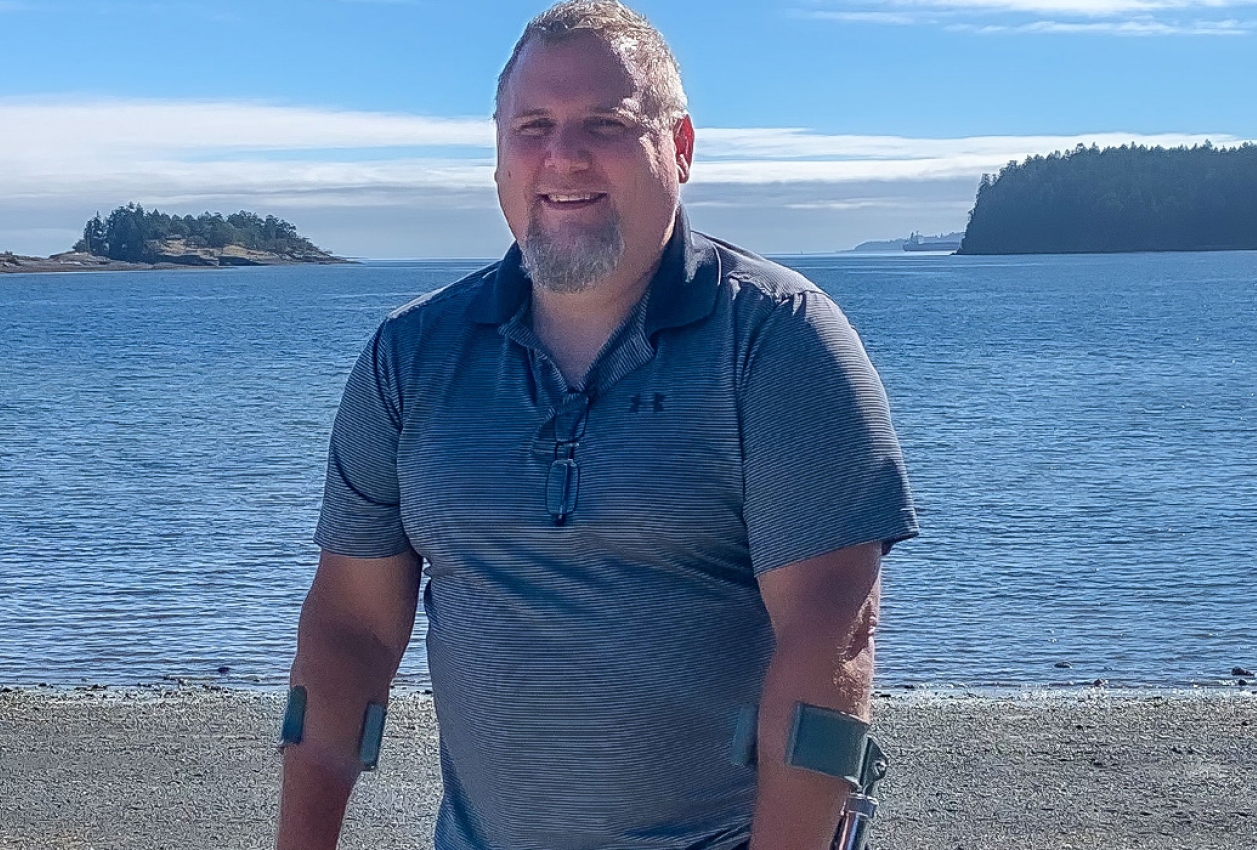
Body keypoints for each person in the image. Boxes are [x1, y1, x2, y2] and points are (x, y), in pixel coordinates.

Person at [275, 2, 919, 848]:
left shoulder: (780, 342)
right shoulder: (410, 357)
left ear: (680, 149)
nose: (563, 155)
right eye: (533, 125)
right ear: (499, 151)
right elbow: (349, 634)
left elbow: (832, 641)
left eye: (607, 125)